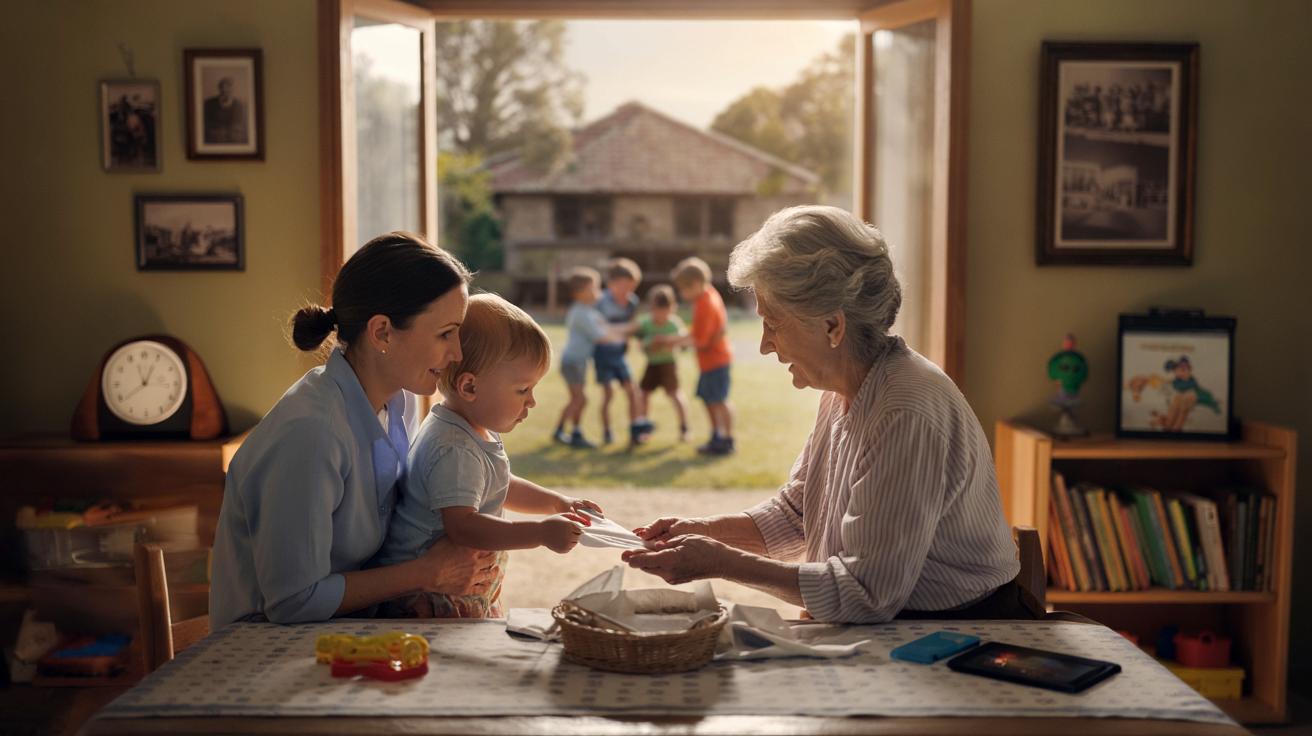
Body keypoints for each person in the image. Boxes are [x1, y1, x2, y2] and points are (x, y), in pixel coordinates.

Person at [623, 206, 1032, 624]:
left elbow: (864, 595)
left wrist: (720, 562)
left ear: (833, 326)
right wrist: (702, 531)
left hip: (965, 636)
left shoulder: (904, 409)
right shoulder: (844, 389)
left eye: (773, 323)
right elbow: (797, 514)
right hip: (901, 629)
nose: (765, 345)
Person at [210, 231, 499, 627]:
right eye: (445, 333)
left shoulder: (400, 401)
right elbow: (293, 602)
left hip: (351, 630)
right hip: (266, 653)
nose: (458, 354)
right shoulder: (312, 433)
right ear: (381, 332)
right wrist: (426, 573)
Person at [374, 294, 601, 618]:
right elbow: (463, 527)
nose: (532, 401)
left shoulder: (470, 426)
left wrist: (557, 503)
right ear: (469, 387)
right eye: (523, 390)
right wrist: (539, 533)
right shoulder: (453, 446)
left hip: (454, 584)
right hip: (430, 598)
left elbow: (499, 484)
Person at [669, 257, 734, 455]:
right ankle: (717, 436)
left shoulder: (705, 304)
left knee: (719, 400)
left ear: (696, 284)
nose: (682, 294)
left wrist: (672, 342)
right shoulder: (708, 294)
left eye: (683, 289)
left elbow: (701, 341)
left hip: (716, 360)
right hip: (709, 362)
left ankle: (727, 439)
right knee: (709, 400)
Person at [552, 267, 622, 449]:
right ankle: (568, 432)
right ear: (580, 293)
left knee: (578, 399)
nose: (598, 292)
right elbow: (601, 336)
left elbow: (608, 327)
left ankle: (567, 431)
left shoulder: (589, 311)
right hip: (572, 362)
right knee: (580, 399)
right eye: (594, 288)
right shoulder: (580, 313)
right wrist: (620, 339)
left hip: (579, 363)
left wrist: (628, 329)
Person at [594, 258, 648, 446]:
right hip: (603, 354)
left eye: (631, 288)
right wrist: (625, 328)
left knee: (632, 391)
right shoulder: (600, 302)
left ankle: (635, 430)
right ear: (611, 284)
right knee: (608, 394)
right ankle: (607, 431)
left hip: (619, 354)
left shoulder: (632, 302)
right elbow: (601, 330)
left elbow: (634, 328)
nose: (628, 292)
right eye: (624, 287)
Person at [634, 284, 689, 443]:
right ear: (651, 308)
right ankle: (644, 428)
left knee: (674, 394)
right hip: (652, 364)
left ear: (672, 308)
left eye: (665, 311)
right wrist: (649, 343)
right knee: (643, 395)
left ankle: (684, 428)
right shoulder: (645, 323)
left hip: (668, 365)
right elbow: (640, 344)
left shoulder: (673, 324)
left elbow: (683, 341)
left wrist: (668, 342)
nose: (661, 315)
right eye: (657, 311)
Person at [203, 76, 246, 144]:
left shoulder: (239, 105)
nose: (225, 91)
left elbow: (239, 123)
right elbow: (206, 123)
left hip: (232, 137)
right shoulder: (209, 103)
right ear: (219, 89)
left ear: (232, 90)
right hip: (215, 136)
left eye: (228, 88)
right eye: (222, 88)